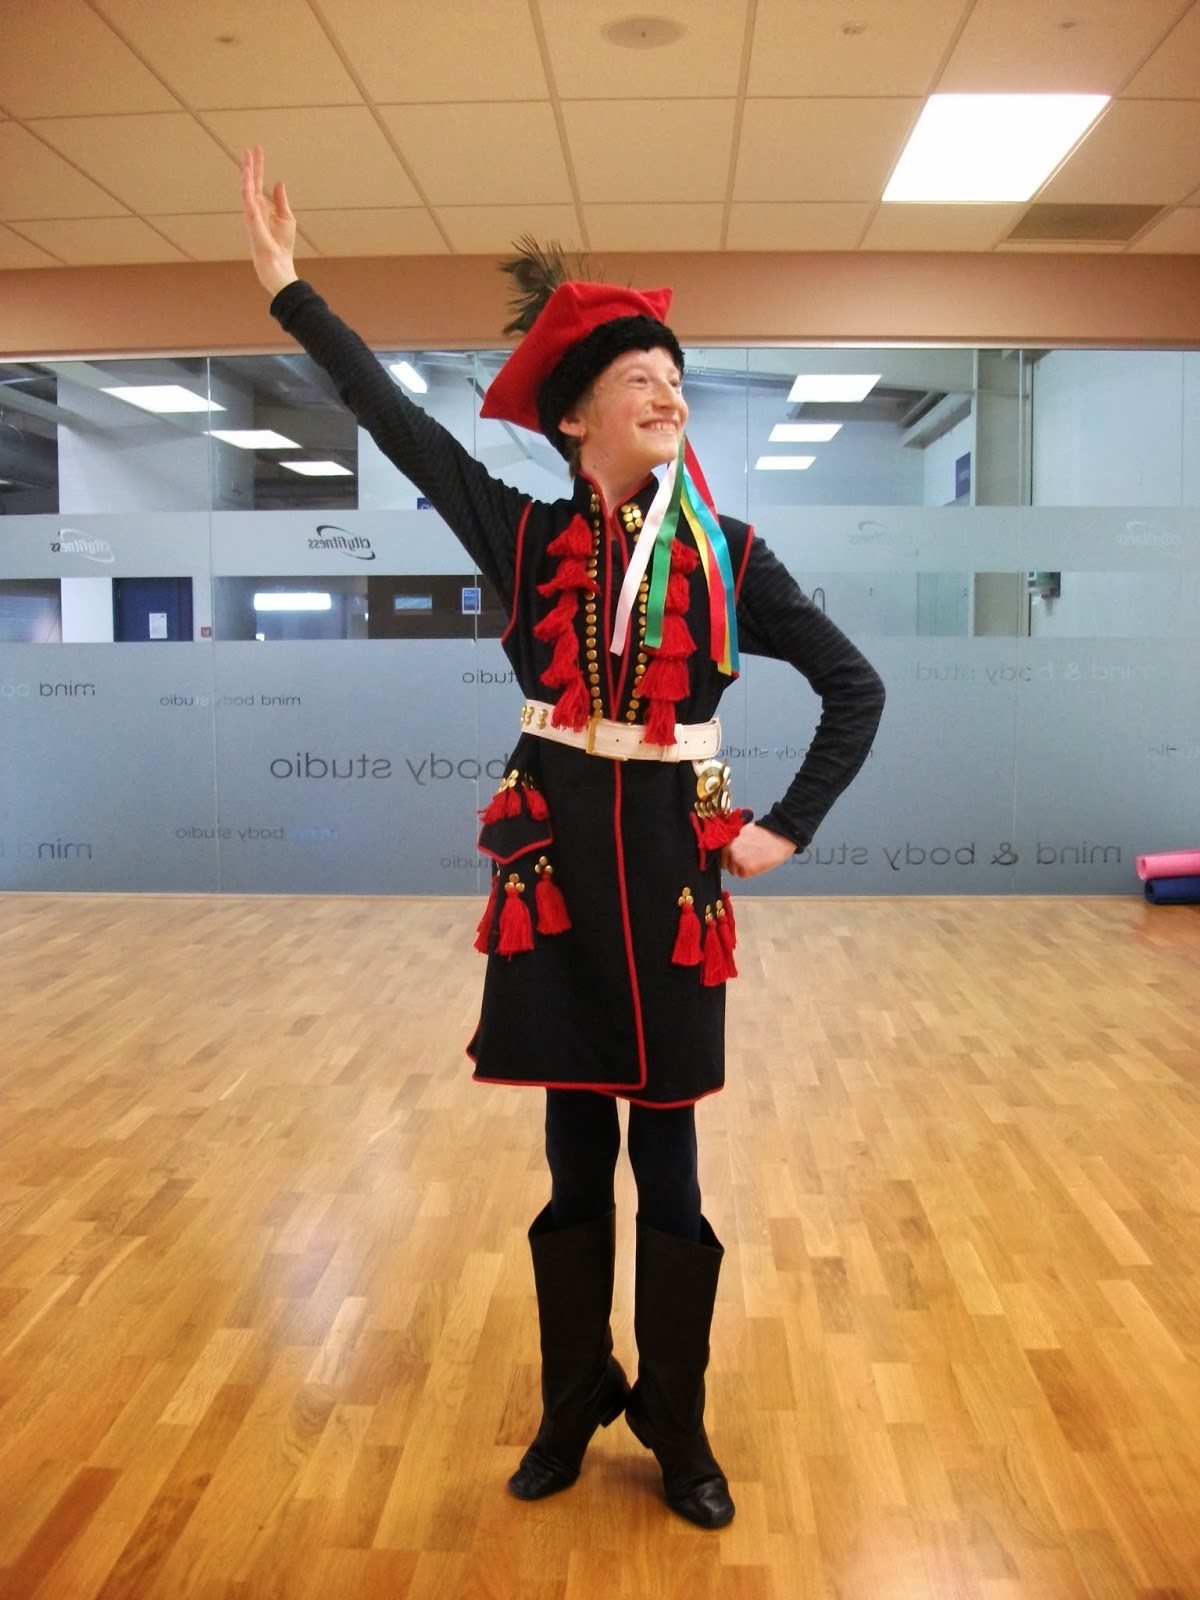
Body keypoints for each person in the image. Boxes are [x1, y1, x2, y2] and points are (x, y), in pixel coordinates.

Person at [241, 146, 885, 1531]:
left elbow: (857, 688)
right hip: (551, 871)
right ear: (580, 417)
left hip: (669, 877)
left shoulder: (729, 555)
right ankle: (575, 1391)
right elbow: (396, 423)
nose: (669, 394)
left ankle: (678, 1417)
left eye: (677, 380)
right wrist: (289, 289)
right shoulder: (525, 537)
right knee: (571, 1156)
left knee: (673, 1166)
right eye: (641, 379)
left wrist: (786, 829)